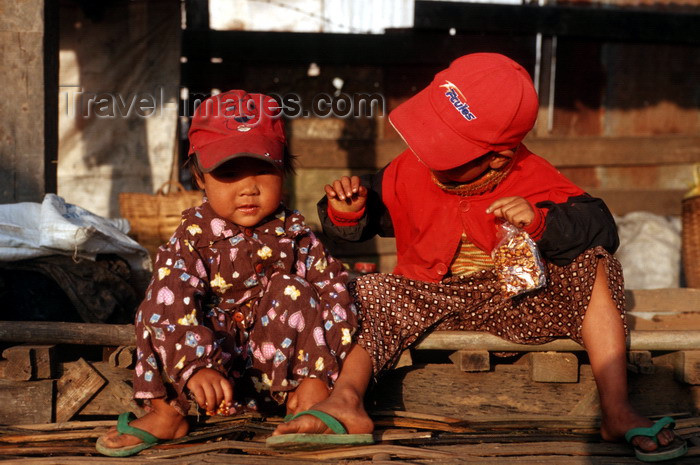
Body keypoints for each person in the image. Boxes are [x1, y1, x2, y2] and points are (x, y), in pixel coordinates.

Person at [274, 53, 687, 462]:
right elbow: (368, 218)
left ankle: (616, 410)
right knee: (368, 290)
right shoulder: (409, 168)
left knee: (595, 262)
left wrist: (541, 222)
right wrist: (347, 211)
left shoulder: (534, 175)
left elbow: (601, 227)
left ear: (499, 158)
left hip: (520, 304)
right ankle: (347, 401)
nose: (428, 159)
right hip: (430, 299)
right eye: (428, 140)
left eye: (447, 154)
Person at [96, 90, 361, 456]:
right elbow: (171, 306)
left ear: (283, 171)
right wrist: (196, 367)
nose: (248, 188)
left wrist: (318, 373)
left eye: (263, 170)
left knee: (305, 289)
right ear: (200, 178)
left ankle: (311, 397)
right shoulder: (192, 237)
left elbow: (335, 295)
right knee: (161, 298)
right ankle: (167, 411)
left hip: (281, 376)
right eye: (230, 174)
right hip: (211, 371)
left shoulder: (297, 235)